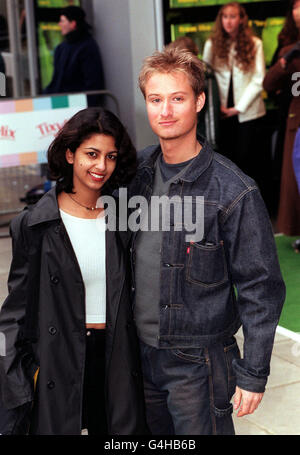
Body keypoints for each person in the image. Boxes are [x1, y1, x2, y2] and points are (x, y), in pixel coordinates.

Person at [128, 46, 285, 435]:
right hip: (136, 354)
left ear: (199, 101)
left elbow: (260, 288)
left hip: (198, 362)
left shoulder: (234, 191)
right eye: (155, 99)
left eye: (177, 98)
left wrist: (253, 373)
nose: (165, 111)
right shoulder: (136, 174)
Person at [0, 107, 148, 435]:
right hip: (60, 358)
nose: (101, 166)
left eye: (110, 156)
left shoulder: (124, 218)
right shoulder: (34, 224)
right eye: (91, 154)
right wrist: (17, 380)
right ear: (69, 154)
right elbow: (16, 310)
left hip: (116, 357)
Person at [202, 2, 266, 179]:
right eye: (225, 17)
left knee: (247, 160)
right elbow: (206, 76)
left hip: (247, 112)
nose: (228, 21)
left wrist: (238, 108)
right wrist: (218, 106)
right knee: (224, 159)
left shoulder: (255, 44)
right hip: (220, 112)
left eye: (232, 16)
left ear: (241, 20)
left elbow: (258, 79)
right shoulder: (212, 44)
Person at [263, 0, 300, 237]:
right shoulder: (290, 48)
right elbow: (268, 84)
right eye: (296, 8)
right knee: (296, 182)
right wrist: (285, 61)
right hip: (296, 123)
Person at [44, 6, 105, 96]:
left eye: (62, 21)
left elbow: (93, 83)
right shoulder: (61, 48)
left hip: (79, 104)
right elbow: (56, 81)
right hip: (62, 102)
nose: (59, 24)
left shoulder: (87, 47)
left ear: (73, 24)